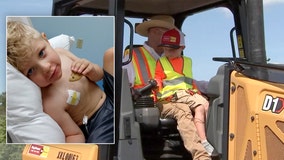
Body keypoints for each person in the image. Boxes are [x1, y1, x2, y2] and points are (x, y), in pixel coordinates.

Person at [7, 21, 114, 143]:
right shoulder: (50, 103)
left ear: (46, 40)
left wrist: (92, 69)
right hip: (97, 123)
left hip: (109, 97)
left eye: (41, 53)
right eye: (31, 71)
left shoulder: (62, 53)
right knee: (99, 146)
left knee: (111, 54)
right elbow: (74, 134)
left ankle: (135, 93)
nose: (45, 67)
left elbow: (99, 76)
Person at [154, 28, 214, 159]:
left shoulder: (187, 61)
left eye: (172, 49)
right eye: (165, 49)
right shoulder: (162, 62)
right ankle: (201, 153)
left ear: (182, 47)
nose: (167, 52)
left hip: (187, 94)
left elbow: (189, 81)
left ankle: (208, 141)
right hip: (170, 97)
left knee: (203, 106)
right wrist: (155, 95)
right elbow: (158, 80)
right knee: (191, 108)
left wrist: (198, 93)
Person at [123, 15, 175, 90]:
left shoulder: (176, 59)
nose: (165, 37)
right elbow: (122, 91)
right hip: (143, 101)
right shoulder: (131, 58)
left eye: (169, 34)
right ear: (149, 32)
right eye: (157, 31)